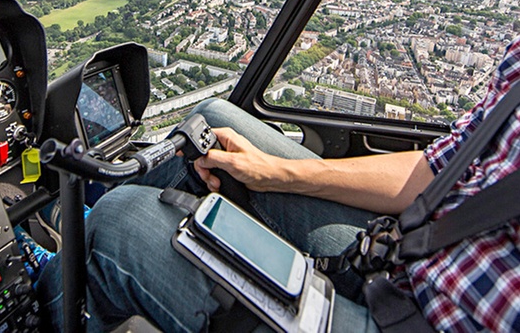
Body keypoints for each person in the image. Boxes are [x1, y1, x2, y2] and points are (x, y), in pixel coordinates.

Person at [35, 35, 520, 332]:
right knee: (212, 127)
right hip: (416, 252)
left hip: (436, 319)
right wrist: (274, 169)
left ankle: (43, 289)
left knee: (117, 227)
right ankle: (70, 211)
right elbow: (442, 165)